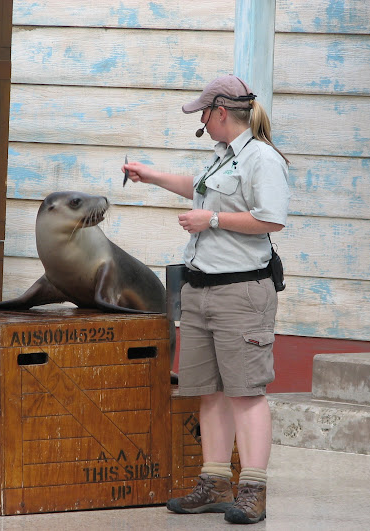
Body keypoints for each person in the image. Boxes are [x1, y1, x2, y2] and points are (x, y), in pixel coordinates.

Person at [122, 74, 290, 525]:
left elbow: (271, 220)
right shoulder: (220, 158)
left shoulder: (262, 159)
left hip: (242, 292)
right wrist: (150, 175)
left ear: (220, 112)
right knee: (208, 393)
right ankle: (215, 482)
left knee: (246, 394)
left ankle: (253, 488)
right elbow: (195, 188)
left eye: (203, 112)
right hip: (200, 290)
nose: (200, 120)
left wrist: (212, 220)